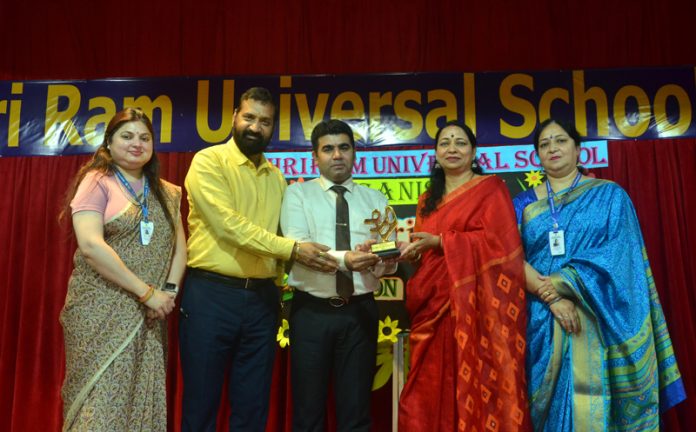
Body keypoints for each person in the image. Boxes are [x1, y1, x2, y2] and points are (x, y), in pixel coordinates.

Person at [512, 118, 687, 431]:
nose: (552, 148)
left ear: (579, 150)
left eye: (561, 140)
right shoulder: (522, 205)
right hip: (542, 317)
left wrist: (567, 280)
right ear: (536, 155)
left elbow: (622, 255)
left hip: (598, 314)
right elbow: (510, 259)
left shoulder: (610, 196)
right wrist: (551, 296)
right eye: (544, 144)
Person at [180, 87, 336, 432]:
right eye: (249, 117)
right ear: (235, 115)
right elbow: (230, 227)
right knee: (200, 405)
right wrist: (293, 250)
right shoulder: (209, 161)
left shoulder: (277, 178)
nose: (255, 127)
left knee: (252, 407)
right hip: (211, 296)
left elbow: (286, 232)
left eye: (265, 122)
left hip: (262, 300)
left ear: (272, 128)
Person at [398, 121, 531, 431]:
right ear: (435, 153)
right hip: (433, 309)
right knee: (424, 392)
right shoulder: (425, 200)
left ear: (473, 152)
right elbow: (427, 253)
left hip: (478, 311)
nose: (452, 149)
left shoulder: (491, 189)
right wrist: (418, 250)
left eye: (460, 143)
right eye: (445, 143)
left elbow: (501, 246)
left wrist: (444, 242)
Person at [59, 108, 186, 431]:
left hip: (151, 313)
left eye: (145, 138)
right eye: (127, 136)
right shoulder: (96, 181)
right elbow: (90, 246)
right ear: (109, 144)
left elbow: (179, 247)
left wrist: (167, 293)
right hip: (100, 309)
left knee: (141, 397)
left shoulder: (168, 192)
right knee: (98, 403)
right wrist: (146, 293)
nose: (137, 144)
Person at [280, 119, 397, 432]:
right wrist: (347, 259)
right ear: (315, 157)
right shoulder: (297, 196)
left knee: (356, 412)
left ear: (355, 153)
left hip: (360, 311)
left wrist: (378, 259)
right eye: (328, 149)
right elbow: (301, 248)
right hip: (310, 312)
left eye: (344, 147)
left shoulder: (377, 200)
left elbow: (389, 258)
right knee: (308, 412)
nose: (337, 155)